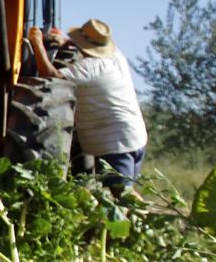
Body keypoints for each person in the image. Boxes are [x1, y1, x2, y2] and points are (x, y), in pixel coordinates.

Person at [28, 19, 148, 194]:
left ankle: (148, 218)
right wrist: (64, 42)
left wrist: (37, 44)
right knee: (121, 194)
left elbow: (51, 76)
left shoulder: (90, 68)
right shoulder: (116, 57)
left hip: (116, 144)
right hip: (135, 138)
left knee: (122, 196)